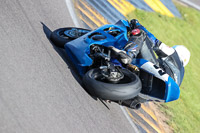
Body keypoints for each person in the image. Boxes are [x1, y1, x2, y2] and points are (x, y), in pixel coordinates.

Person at [110, 19, 190, 86]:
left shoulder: (174, 54)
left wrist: (138, 25)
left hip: (155, 75)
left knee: (141, 34)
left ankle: (127, 55)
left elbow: (155, 42)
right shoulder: (180, 77)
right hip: (149, 91)